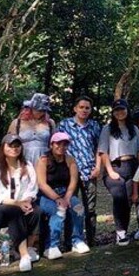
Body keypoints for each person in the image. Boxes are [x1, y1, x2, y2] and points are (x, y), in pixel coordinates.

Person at [0, 134, 40, 272]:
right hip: (3, 205)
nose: (14, 149)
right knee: (14, 212)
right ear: (3, 147)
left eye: (17, 146)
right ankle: (23, 254)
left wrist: (27, 200)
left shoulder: (27, 165)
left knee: (37, 211)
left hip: (23, 202)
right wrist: (17, 203)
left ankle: (29, 246)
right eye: (10, 146)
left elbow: (32, 187)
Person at [98, 98, 139, 246]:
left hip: (132, 165)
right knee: (120, 196)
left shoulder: (134, 128)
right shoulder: (107, 129)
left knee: (133, 198)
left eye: (122, 109)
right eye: (117, 110)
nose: (120, 112)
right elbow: (103, 152)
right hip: (115, 166)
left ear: (127, 110)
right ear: (113, 112)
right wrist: (110, 171)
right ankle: (120, 232)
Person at [35, 131, 90, 259]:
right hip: (47, 195)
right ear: (51, 145)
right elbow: (42, 184)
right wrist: (57, 198)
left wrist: (67, 197)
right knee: (57, 211)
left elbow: (73, 181)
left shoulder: (70, 160)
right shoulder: (43, 160)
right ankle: (51, 245)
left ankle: (77, 240)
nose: (61, 147)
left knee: (78, 208)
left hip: (66, 193)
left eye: (65, 144)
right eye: (58, 144)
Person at [56, 96, 102, 246]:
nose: (84, 110)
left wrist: (97, 167)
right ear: (75, 108)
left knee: (90, 208)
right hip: (70, 173)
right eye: (81, 107)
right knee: (72, 206)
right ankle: (70, 240)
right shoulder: (64, 125)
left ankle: (91, 239)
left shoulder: (94, 126)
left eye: (87, 108)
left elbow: (99, 149)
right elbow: (58, 148)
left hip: (89, 171)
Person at [8, 93, 55, 166]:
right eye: (38, 110)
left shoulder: (50, 123)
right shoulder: (17, 123)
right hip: (22, 161)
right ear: (30, 108)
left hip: (45, 161)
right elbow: (8, 144)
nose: (41, 113)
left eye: (43, 110)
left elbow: (54, 144)